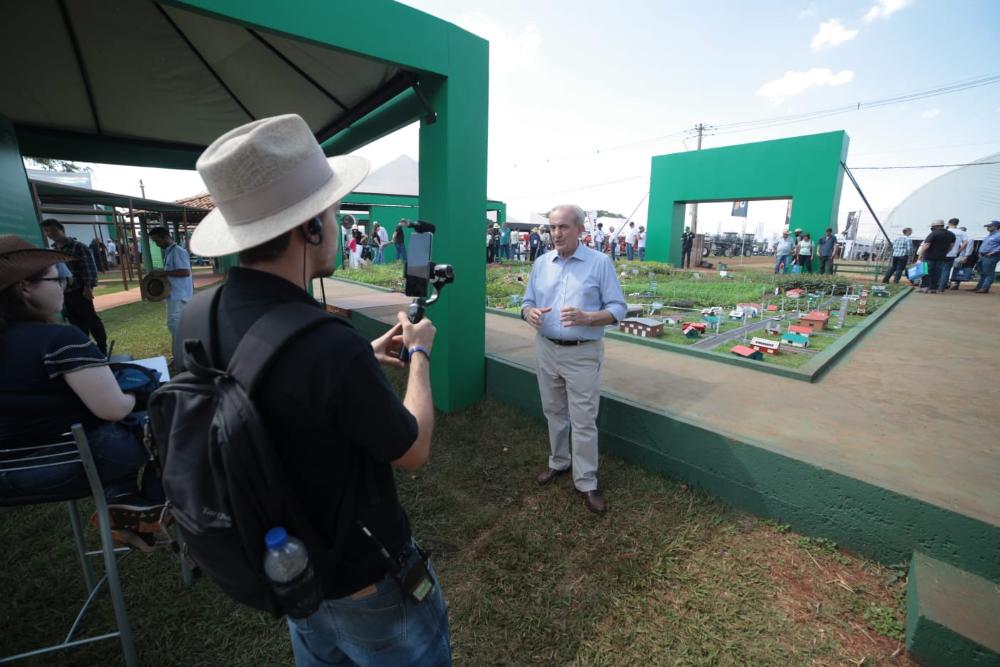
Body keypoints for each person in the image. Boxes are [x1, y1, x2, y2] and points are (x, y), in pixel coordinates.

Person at [185, 114, 450, 664]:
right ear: (308, 227)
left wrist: (361, 358)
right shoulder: (327, 346)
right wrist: (419, 353)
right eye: (330, 211)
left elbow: (268, 400)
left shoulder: (198, 314)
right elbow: (413, 447)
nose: (335, 222)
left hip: (290, 572)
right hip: (364, 580)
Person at [0, 235, 165, 547]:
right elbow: (113, 409)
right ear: (24, 287)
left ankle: (126, 503)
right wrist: (139, 394)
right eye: (58, 277)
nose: (65, 285)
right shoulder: (58, 340)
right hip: (68, 468)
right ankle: (153, 507)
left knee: (107, 429)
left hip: (8, 478)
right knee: (167, 418)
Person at [520, 204, 626, 515]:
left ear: (580, 230)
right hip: (546, 349)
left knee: (583, 420)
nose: (556, 233)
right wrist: (530, 313)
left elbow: (618, 308)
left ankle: (586, 481)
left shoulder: (600, 263)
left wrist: (588, 317)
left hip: (582, 353)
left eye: (563, 227)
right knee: (553, 411)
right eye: (552, 227)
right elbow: (527, 302)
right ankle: (559, 462)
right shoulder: (541, 263)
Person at [40, 219, 108, 355]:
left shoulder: (78, 247)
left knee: (90, 319)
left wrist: (88, 287)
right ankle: (86, 349)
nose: (50, 233)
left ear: (61, 229)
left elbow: (89, 267)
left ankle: (102, 348)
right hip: (64, 292)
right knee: (75, 322)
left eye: (53, 230)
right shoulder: (53, 250)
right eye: (47, 231)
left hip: (80, 290)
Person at [148, 227, 193, 345]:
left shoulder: (178, 251)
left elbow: (185, 272)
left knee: (177, 329)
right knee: (175, 329)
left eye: (157, 241)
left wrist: (163, 273)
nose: (157, 244)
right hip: (174, 296)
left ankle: (180, 358)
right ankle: (179, 356)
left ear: (165, 237)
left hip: (179, 298)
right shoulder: (170, 252)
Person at [916, 220, 955, 293]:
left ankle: (925, 287)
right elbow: (951, 246)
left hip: (929, 256)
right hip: (941, 257)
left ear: (936, 226)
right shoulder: (951, 234)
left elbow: (926, 245)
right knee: (937, 273)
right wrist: (946, 252)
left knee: (926, 271)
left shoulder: (933, 234)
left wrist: (921, 254)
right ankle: (933, 288)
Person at [971, 220, 1000, 293]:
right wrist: (980, 252)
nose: (988, 228)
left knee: (988, 273)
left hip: (991, 256)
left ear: (996, 227)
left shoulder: (998, 234)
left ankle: (984, 288)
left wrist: (993, 252)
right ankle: (979, 287)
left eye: (989, 226)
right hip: (983, 255)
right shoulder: (989, 235)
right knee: (982, 272)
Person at [940, 218, 968, 291]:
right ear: (957, 224)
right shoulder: (962, 232)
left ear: (949, 223)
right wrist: (959, 251)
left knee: (939, 269)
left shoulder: (946, 231)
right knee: (946, 270)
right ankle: (941, 287)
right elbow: (965, 242)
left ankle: (936, 285)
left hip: (942, 253)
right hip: (953, 253)